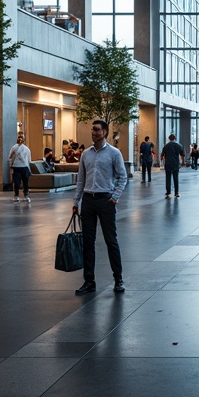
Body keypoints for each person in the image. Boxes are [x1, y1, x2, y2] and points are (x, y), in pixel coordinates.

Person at [73, 119, 128, 295]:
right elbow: (81, 179)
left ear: (105, 132)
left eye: (97, 130)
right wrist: (76, 202)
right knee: (87, 242)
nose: (93, 132)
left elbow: (122, 176)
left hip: (106, 200)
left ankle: (118, 279)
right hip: (88, 200)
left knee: (111, 240)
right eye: (92, 129)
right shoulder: (85, 154)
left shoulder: (114, 153)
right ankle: (89, 281)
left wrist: (114, 198)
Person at [8, 132, 32, 203]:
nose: (20, 139)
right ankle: (17, 195)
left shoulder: (26, 149)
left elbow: (28, 159)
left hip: (24, 167)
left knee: (25, 182)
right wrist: (11, 165)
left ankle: (25, 194)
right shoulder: (14, 148)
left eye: (21, 137)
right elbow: (10, 157)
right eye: (19, 137)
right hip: (17, 167)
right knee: (17, 182)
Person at [161, 133, 185, 198]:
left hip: (168, 163)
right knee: (176, 178)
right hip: (175, 163)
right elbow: (183, 154)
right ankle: (176, 192)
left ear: (169, 138)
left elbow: (162, 155)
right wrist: (182, 161)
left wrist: (162, 162)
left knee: (168, 178)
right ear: (175, 138)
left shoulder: (166, 146)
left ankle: (168, 192)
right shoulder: (178, 145)